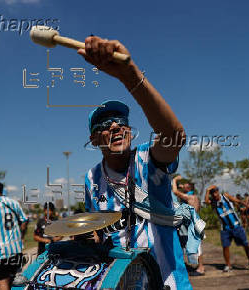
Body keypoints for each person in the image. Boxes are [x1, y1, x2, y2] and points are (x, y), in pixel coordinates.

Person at [82, 36, 192, 289]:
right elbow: (97, 231)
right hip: (121, 281)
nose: (114, 126)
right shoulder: (91, 179)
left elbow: (174, 136)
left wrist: (129, 75)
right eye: (104, 124)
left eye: (121, 121)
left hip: (168, 281)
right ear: (94, 139)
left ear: (130, 131)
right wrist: (90, 236)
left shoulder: (147, 159)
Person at [204, 185, 249, 272]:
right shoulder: (213, 202)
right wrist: (207, 190)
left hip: (236, 226)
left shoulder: (225, 196)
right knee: (225, 247)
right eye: (213, 194)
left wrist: (247, 205)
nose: (215, 195)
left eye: (216, 192)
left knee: (246, 244)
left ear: (218, 191)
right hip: (225, 229)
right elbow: (206, 201)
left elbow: (237, 201)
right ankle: (228, 265)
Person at [172, 176, 204, 276]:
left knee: (196, 247)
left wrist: (175, 180)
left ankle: (201, 268)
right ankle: (191, 266)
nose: (183, 186)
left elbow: (176, 192)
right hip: (190, 225)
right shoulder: (191, 196)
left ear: (189, 188)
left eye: (185, 185)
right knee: (185, 245)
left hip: (193, 226)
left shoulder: (191, 197)